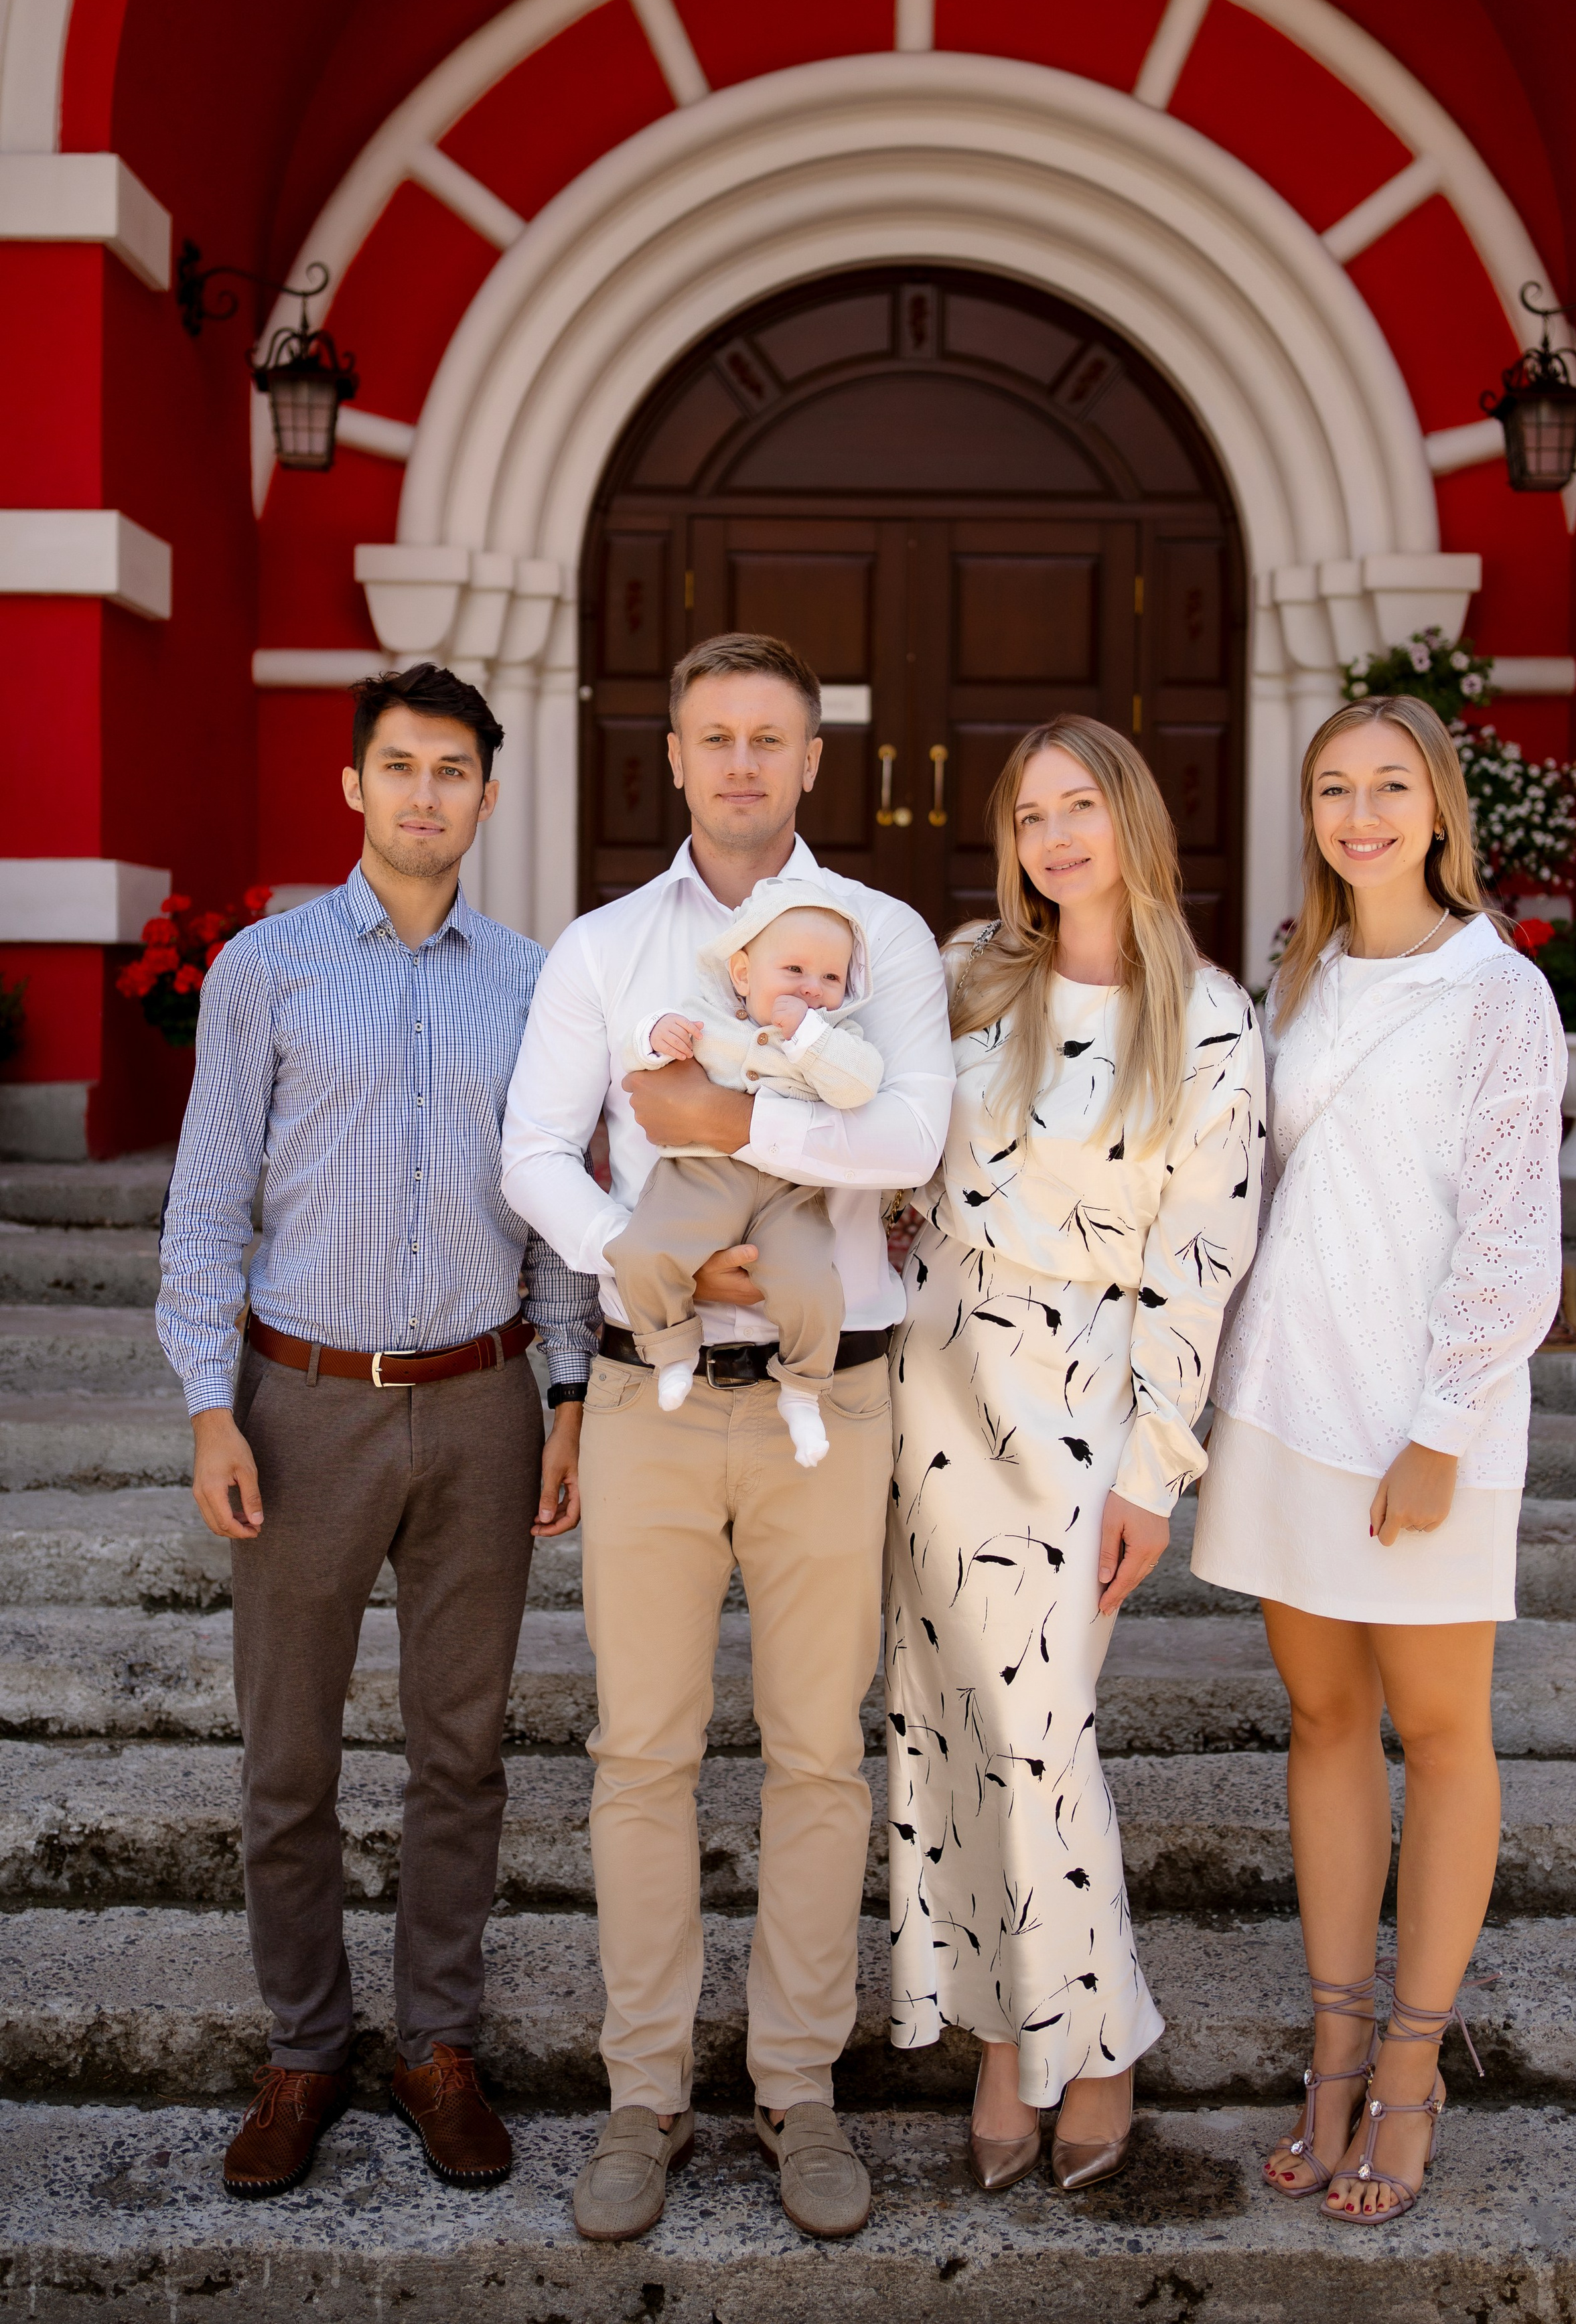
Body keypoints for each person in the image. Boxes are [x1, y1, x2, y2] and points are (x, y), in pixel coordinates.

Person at [502, 632, 952, 2244]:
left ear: (811, 761)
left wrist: (725, 1126)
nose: (744, 762)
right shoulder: (608, 947)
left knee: (821, 1754)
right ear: (673, 757)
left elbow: (912, 1127)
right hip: (651, 1391)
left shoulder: (882, 936)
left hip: (833, 1401)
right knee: (639, 1752)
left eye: (771, 737)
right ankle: (642, 2096)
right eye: (715, 737)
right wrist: (679, 1253)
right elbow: (534, 1153)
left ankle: (797, 2087)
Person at [157, 662, 596, 2201]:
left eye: (452, 769)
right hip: (302, 1404)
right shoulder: (267, 971)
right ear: (354, 786)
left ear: (486, 791)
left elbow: (556, 1215)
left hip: (478, 1405)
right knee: (288, 1752)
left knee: (457, 1750)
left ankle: (435, 2044)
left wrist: (565, 1394)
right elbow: (208, 1207)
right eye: (398, 766)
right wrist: (213, 1402)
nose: (423, 792)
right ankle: (306, 2045)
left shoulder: (537, 982)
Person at [1192, 694, 1565, 2226]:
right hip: (1285, 1400)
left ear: (1437, 810)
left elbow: (1507, 1234)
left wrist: (1436, 1428)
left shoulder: (1497, 996)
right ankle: (1331, 2036)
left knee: (1439, 1726)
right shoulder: (1297, 975)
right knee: (1320, 1715)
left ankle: (1409, 2066)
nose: (1359, 814)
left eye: (1387, 787)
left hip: (1424, 1422)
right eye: (1333, 788)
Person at [885, 715, 1265, 2191]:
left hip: (1082, 1394)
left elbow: (1203, 1255)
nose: (1052, 838)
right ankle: (1001, 2035)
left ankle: (1093, 2048)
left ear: (1130, 822)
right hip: (933, 1374)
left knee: (1041, 1727)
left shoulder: (1212, 1020)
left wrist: (1155, 1466)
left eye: (1078, 807)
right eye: (1029, 815)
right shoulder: (970, 975)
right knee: (948, 1721)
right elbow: (886, 1138)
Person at [612, 878, 884, 1465]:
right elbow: (636, 1055)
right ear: (742, 975)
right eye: (794, 970)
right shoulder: (706, 1017)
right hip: (698, 1176)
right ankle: (671, 1350)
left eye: (831, 978)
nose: (812, 989)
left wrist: (809, 1034)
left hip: (789, 1190)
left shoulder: (839, 1039)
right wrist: (655, 1038)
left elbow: (859, 1086)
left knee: (812, 1285)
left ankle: (804, 1393)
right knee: (641, 1250)